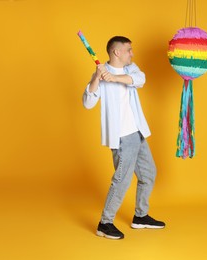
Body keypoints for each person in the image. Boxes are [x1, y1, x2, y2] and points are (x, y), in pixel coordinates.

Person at [82, 36, 165, 240]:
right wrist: (96, 78)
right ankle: (105, 223)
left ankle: (140, 216)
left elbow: (140, 79)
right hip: (121, 136)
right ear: (117, 52)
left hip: (137, 132)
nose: (132, 53)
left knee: (148, 174)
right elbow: (87, 102)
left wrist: (115, 78)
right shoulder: (101, 76)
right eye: (129, 50)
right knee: (122, 179)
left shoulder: (130, 69)